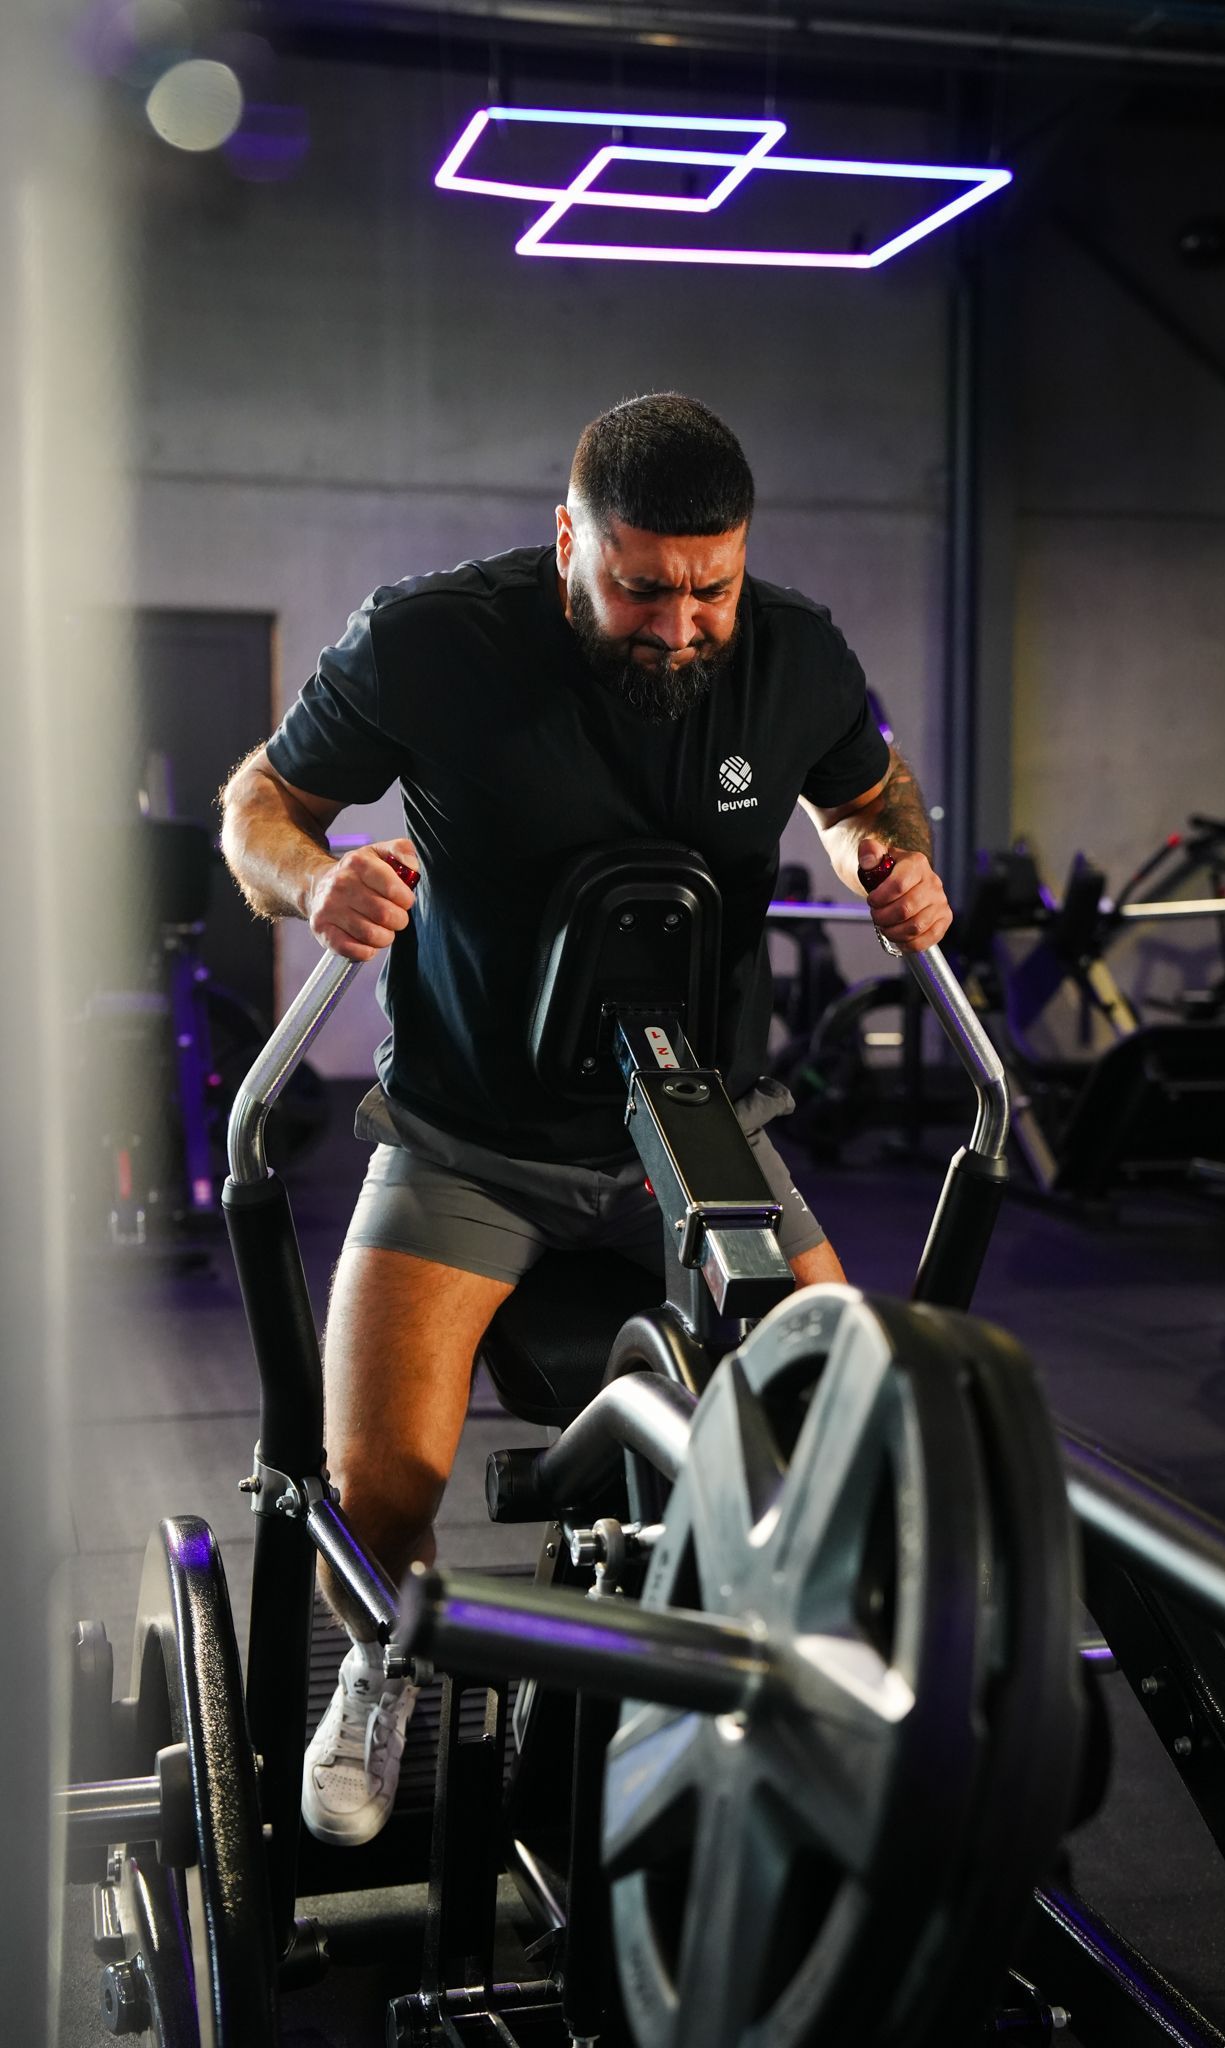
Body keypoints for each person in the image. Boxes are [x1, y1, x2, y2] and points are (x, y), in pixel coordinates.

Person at [219, 392, 951, 1846]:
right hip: (467, 1141)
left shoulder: (793, 653)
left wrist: (890, 860)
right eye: (639, 585)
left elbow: (877, 797)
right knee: (378, 1481)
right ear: (569, 541)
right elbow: (260, 803)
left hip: (707, 1137)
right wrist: (313, 884)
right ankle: (378, 1669)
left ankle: (799, 1706)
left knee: (861, 1435)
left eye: (710, 589)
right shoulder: (430, 640)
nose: (680, 623)